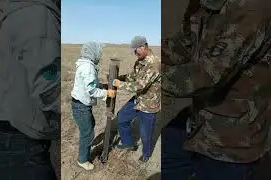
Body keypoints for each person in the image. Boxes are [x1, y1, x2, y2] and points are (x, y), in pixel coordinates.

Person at [162, 0, 271, 179]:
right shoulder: (203, 3)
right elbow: (182, 45)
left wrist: (150, 79)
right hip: (202, 115)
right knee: (171, 145)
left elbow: (206, 75)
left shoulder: (252, 9)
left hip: (232, 138)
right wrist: (149, 59)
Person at [0, 0, 60, 179]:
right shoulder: (40, 15)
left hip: (7, 130)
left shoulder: (24, 9)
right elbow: (47, 87)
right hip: (19, 140)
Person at [113, 36, 161, 162]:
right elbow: (133, 77)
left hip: (149, 104)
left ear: (143, 47)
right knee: (122, 117)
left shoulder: (154, 64)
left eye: (136, 50)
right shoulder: (140, 61)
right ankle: (128, 144)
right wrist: (120, 77)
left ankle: (146, 155)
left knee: (145, 133)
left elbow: (140, 86)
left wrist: (119, 84)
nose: (135, 54)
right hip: (138, 100)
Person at [71, 42, 116, 171]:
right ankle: (83, 160)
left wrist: (101, 86)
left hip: (80, 104)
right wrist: (107, 93)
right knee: (87, 134)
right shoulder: (88, 67)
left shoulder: (85, 64)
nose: (100, 56)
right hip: (81, 106)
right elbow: (90, 90)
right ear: (93, 52)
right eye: (99, 53)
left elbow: (90, 84)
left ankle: (85, 147)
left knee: (90, 126)